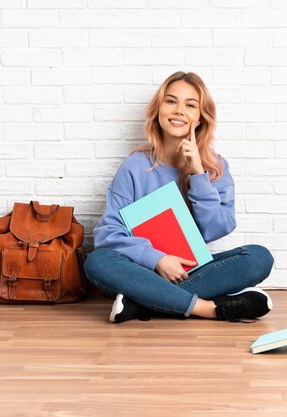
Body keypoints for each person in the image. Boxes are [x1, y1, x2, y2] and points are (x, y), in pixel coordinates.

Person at [83, 71, 274, 323]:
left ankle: (140, 304)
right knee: (97, 262)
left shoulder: (215, 168)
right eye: (171, 101)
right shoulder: (134, 166)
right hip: (139, 270)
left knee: (259, 257)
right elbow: (108, 234)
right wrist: (158, 259)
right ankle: (209, 308)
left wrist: (198, 173)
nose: (179, 110)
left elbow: (216, 229)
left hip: (191, 270)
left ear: (200, 117)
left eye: (190, 105)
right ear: (158, 110)